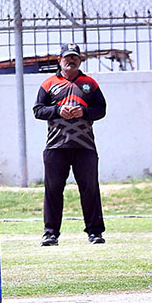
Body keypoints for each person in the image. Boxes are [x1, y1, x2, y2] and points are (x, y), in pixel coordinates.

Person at [33, 43, 107, 246]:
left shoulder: (89, 84)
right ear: (60, 61)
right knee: (53, 189)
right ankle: (50, 233)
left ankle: (95, 232)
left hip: (85, 147)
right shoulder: (49, 84)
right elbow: (38, 110)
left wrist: (84, 112)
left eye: (74, 58)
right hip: (56, 146)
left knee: (90, 188)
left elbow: (101, 109)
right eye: (67, 58)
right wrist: (58, 110)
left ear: (80, 61)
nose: (71, 61)